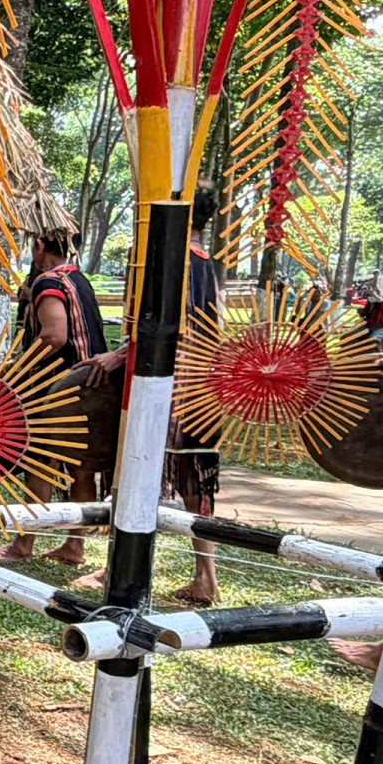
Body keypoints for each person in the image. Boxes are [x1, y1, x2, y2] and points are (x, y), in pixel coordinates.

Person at [0, 227, 115, 565]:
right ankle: (74, 547)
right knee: (81, 467)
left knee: (39, 462)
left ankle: (23, 545)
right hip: (92, 388)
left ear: (41, 245)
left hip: (58, 390)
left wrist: (18, 368)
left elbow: (55, 335)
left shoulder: (49, 281)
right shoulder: (78, 278)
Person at [165, 186, 223, 605]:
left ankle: (122, 566)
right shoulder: (208, 264)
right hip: (207, 381)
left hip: (176, 381)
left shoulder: (178, 261)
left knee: (151, 471)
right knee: (195, 478)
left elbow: (169, 325)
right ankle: (206, 575)